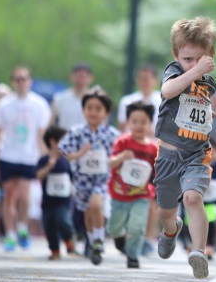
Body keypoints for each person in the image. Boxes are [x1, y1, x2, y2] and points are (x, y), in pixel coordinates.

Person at [153, 16, 216, 279]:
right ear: (176, 56)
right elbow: (169, 92)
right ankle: (171, 229)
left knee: (193, 197)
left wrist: (207, 117)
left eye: (199, 59)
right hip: (169, 154)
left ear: (210, 57)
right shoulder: (175, 71)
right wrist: (193, 70)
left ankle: (199, 252)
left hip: (196, 153)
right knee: (166, 211)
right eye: (187, 58)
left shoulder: (208, 84)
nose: (192, 64)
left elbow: (196, 109)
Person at [0, 66, 51, 251]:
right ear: (12, 82)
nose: (20, 82)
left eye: (23, 78)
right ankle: (9, 234)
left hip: (28, 156)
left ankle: (22, 227)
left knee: (24, 196)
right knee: (9, 196)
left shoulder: (39, 104)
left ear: (29, 81)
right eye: (17, 79)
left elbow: (41, 134)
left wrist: (45, 158)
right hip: (7, 155)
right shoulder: (5, 104)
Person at [58, 89, 120, 265]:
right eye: (89, 108)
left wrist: (115, 160)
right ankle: (92, 241)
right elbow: (65, 152)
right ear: (83, 110)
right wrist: (79, 153)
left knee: (96, 204)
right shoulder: (76, 132)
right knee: (87, 211)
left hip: (102, 178)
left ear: (106, 113)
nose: (93, 112)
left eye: (98, 108)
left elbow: (118, 152)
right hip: (81, 179)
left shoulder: (111, 134)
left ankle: (99, 240)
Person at [107, 101, 158, 269]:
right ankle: (119, 237)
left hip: (141, 195)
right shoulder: (122, 142)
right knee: (114, 228)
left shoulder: (153, 147)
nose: (138, 125)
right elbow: (111, 163)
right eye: (134, 121)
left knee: (137, 227)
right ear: (128, 122)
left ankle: (133, 255)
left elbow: (157, 171)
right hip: (119, 193)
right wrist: (122, 157)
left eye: (143, 122)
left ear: (150, 123)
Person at [36, 126, 75, 260]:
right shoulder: (43, 160)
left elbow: (73, 177)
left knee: (62, 220)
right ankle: (55, 250)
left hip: (63, 201)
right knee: (49, 225)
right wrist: (49, 167)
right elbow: (38, 176)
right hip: (48, 202)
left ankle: (69, 240)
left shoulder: (67, 161)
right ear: (53, 141)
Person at [117, 65, 162, 134]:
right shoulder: (126, 101)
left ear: (155, 80)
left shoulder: (163, 101)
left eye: (147, 78)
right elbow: (122, 128)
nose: (144, 82)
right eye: (141, 78)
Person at [51, 63, 94, 130]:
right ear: (71, 76)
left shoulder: (96, 101)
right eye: (78, 76)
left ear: (91, 78)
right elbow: (51, 123)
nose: (80, 80)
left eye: (83, 77)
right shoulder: (59, 98)